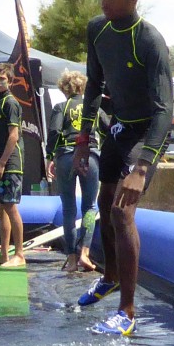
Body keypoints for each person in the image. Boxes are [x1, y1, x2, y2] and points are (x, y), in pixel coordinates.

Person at [73, 0, 172, 336]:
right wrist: (83, 138)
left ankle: (127, 312)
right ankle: (110, 277)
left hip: (146, 132)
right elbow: (94, 85)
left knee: (122, 212)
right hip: (117, 127)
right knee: (103, 200)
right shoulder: (97, 29)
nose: (104, 0)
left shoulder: (150, 40)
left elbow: (165, 110)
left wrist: (143, 166)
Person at [46, 69, 100, 273]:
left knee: (68, 208)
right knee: (90, 206)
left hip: (66, 156)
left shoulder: (61, 106)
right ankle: (84, 253)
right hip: (90, 156)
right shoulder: (93, 108)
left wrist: (49, 156)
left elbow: (54, 132)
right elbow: (106, 126)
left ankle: (70, 259)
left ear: (64, 88)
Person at [0, 63, 26, 268]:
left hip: (11, 163)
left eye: (3, 78)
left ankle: (19, 254)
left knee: (10, 206)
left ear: (10, 81)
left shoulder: (10, 102)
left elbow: (14, 135)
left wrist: (2, 163)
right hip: (0, 162)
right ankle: (4, 252)